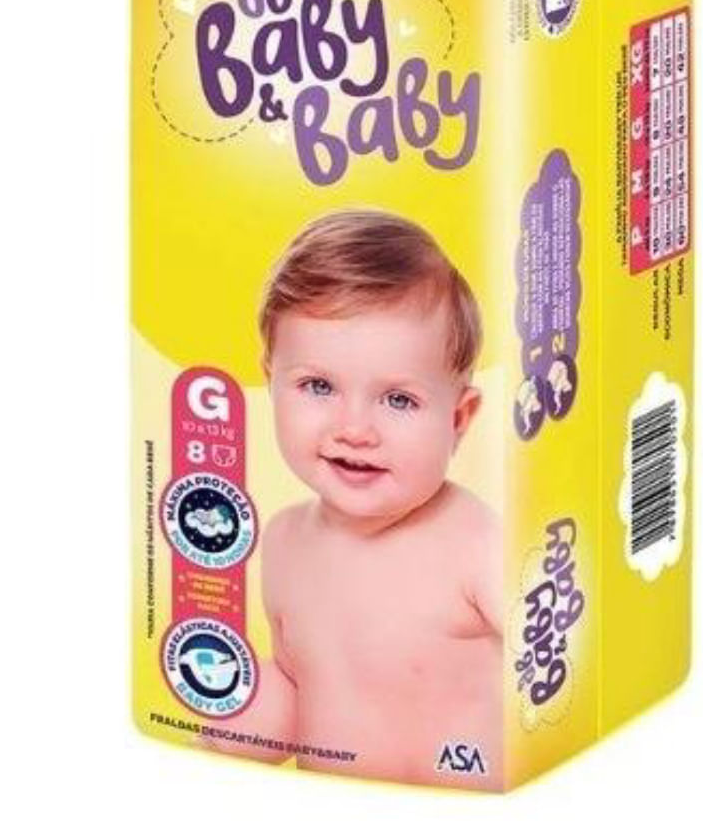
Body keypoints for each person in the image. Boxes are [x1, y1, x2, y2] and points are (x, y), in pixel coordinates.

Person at [214, 209, 502, 788]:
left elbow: (562, 671)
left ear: (458, 418)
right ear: (270, 381)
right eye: (318, 386)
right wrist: (227, 725)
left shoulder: (476, 544)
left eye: (398, 400)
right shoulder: (283, 540)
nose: (354, 429)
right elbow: (300, 682)